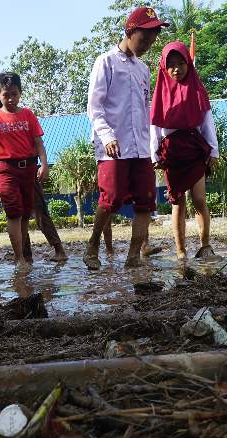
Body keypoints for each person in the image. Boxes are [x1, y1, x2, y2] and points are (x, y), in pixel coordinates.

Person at [84, 6, 169, 270]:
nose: (147, 45)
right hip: (113, 146)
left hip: (141, 148)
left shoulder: (143, 69)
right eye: (144, 39)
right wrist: (107, 135)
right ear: (130, 32)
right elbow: (95, 106)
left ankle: (133, 257)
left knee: (145, 201)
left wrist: (154, 144)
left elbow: (145, 109)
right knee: (111, 198)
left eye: (152, 41)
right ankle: (92, 246)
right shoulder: (106, 62)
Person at [150, 41, 219, 260]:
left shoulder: (197, 89)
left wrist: (214, 151)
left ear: (189, 64)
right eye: (171, 65)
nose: (176, 69)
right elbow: (155, 126)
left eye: (181, 63)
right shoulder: (160, 93)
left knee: (199, 200)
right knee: (177, 202)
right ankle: (181, 251)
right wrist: (154, 154)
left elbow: (207, 121)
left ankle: (205, 245)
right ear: (164, 67)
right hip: (172, 152)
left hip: (194, 148)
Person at [0, 72, 50, 271]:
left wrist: (44, 164)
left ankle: (23, 254)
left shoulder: (28, 115)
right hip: (6, 169)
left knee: (25, 214)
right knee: (13, 213)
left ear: (20, 93)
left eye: (14, 94)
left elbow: (38, 142)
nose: (10, 99)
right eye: (6, 95)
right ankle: (19, 258)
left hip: (29, 169)